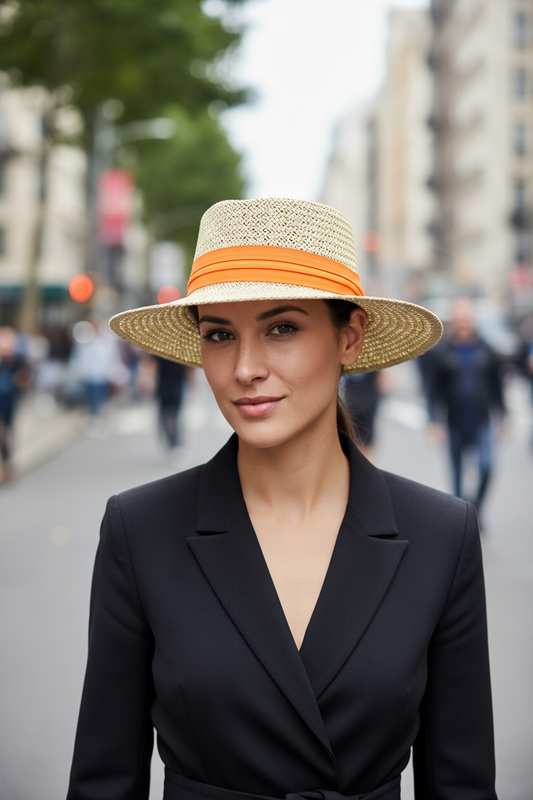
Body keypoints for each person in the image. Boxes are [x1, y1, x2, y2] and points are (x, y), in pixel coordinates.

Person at [67, 199, 497, 800]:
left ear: (350, 337)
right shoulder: (141, 529)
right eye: (219, 334)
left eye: (282, 328)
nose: (245, 367)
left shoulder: (440, 535)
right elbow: (103, 780)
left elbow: (462, 785)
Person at [427, 298, 506, 518]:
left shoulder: (486, 349)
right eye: (459, 319)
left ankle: (477, 507)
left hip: (482, 420)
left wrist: (503, 417)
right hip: (455, 421)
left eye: (466, 318)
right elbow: (433, 390)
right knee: (457, 475)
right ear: (454, 321)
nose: (463, 323)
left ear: (472, 321)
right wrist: (434, 421)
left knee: (487, 466)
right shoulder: (443, 352)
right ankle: (463, 519)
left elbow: (497, 385)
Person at [0, 326, 30, 484]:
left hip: (10, 401)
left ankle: (7, 463)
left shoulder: (18, 360)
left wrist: (19, 379)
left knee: (7, 432)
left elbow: (26, 379)